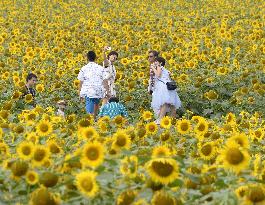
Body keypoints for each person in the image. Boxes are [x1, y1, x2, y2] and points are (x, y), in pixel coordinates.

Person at [151, 57, 181, 125]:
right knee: (171, 104)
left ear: (160, 63)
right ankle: (173, 120)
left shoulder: (159, 67)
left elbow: (158, 75)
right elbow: (169, 76)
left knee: (164, 103)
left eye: (156, 61)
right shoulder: (166, 70)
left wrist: (153, 68)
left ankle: (160, 119)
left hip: (163, 87)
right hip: (169, 87)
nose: (155, 62)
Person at [77, 51, 107, 119]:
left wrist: (80, 93)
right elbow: (104, 80)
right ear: (95, 58)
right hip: (98, 90)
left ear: (87, 58)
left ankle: (91, 121)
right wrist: (106, 91)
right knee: (96, 104)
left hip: (88, 91)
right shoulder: (100, 68)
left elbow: (81, 82)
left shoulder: (84, 68)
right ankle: (94, 119)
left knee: (89, 109)